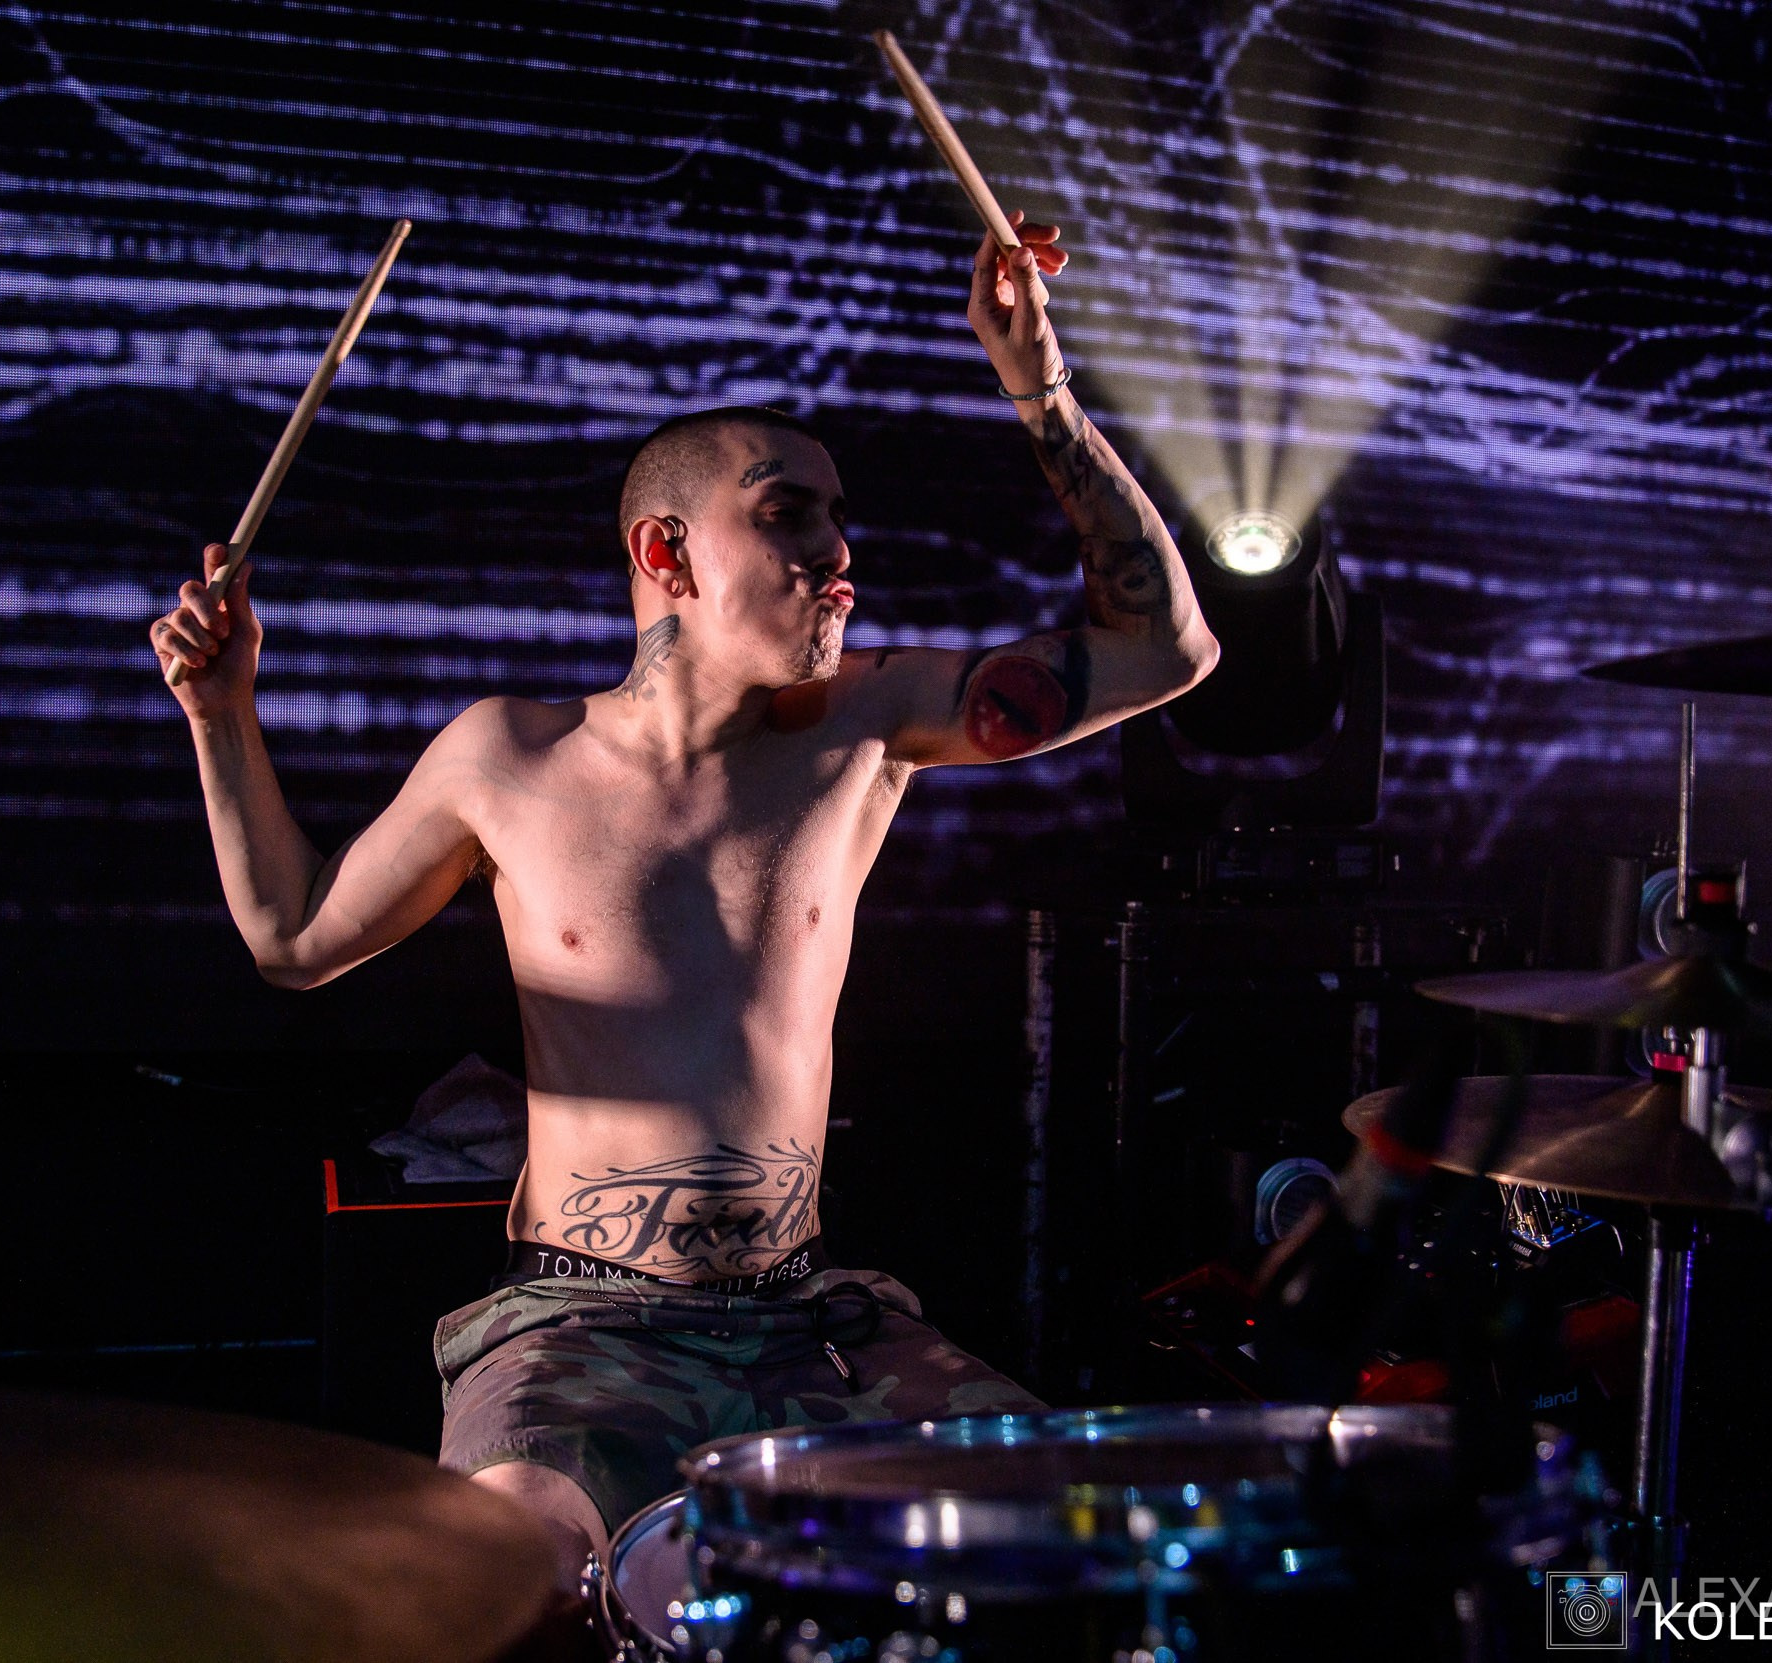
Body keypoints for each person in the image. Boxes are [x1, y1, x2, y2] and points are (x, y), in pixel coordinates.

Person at [151, 214, 1218, 1582]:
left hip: (810, 1316)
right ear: (665, 555)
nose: (838, 553)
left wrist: (1040, 389)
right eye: (787, 513)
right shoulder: (510, 759)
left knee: (1070, 1533)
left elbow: (1169, 648)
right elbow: (294, 940)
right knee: (514, 1569)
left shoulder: (872, 722)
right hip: (580, 1325)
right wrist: (220, 712)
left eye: (837, 517)